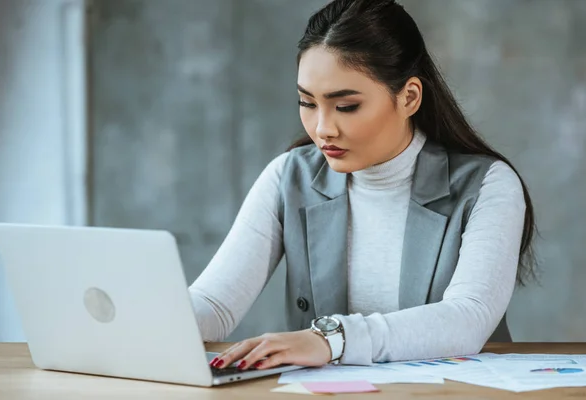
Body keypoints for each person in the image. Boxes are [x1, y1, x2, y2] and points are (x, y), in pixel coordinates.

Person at [188, 0, 536, 371]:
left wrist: (330, 339)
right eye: (307, 102)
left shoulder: (487, 185)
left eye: (346, 106)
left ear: (409, 97)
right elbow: (214, 303)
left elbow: (469, 318)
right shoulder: (289, 177)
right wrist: (141, 328)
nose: (323, 129)